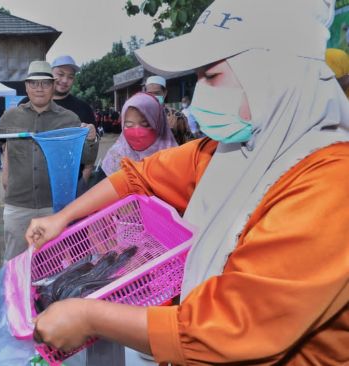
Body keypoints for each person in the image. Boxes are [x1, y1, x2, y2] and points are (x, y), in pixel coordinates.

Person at [26, 0, 349, 364]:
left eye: (211, 77)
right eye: (197, 77)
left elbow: (233, 327)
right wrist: (61, 218)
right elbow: (139, 176)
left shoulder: (332, 185)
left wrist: (89, 316)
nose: (200, 95)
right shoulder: (229, 149)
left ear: (272, 77)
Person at [0, 60, 98, 261]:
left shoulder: (69, 119)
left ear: (52, 86)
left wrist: (92, 139)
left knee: (52, 262)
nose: (39, 88)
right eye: (34, 83)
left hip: (55, 206)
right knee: (15, 263)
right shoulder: (12, 116)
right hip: (18, 205)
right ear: (26, 86)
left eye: (45, 83)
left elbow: (86, 157)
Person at [19, 55, 99, 180]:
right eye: (60, 74)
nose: (65, 80)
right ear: (50, 75)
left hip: (69, 180)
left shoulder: (83, 108)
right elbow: (12, 144)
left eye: (70, 77)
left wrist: (84, 177)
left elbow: (92, 145)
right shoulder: (26, 104)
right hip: (32, 179)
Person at [100, 92, 177, 177]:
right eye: (129, 125)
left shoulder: (173, 157)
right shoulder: (115, 156)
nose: (137, 132)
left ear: (159, 123)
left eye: (145, 125)